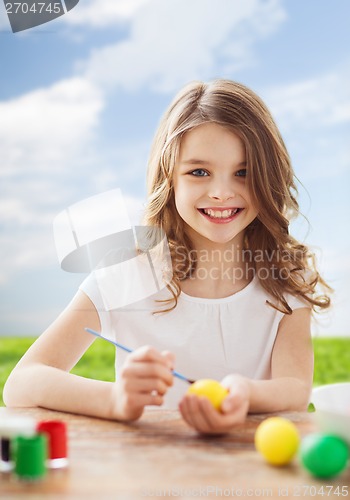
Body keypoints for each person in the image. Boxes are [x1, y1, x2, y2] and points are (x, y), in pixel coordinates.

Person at [4, 79, 331, 434]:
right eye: (199, 172)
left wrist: (244, 394)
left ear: (270, 178)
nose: (221, 192)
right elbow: (22, 383)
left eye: (244, 172)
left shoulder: (284, 278)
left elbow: (296, 390)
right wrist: (116, 400)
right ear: (169, 179)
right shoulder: (129, 271)